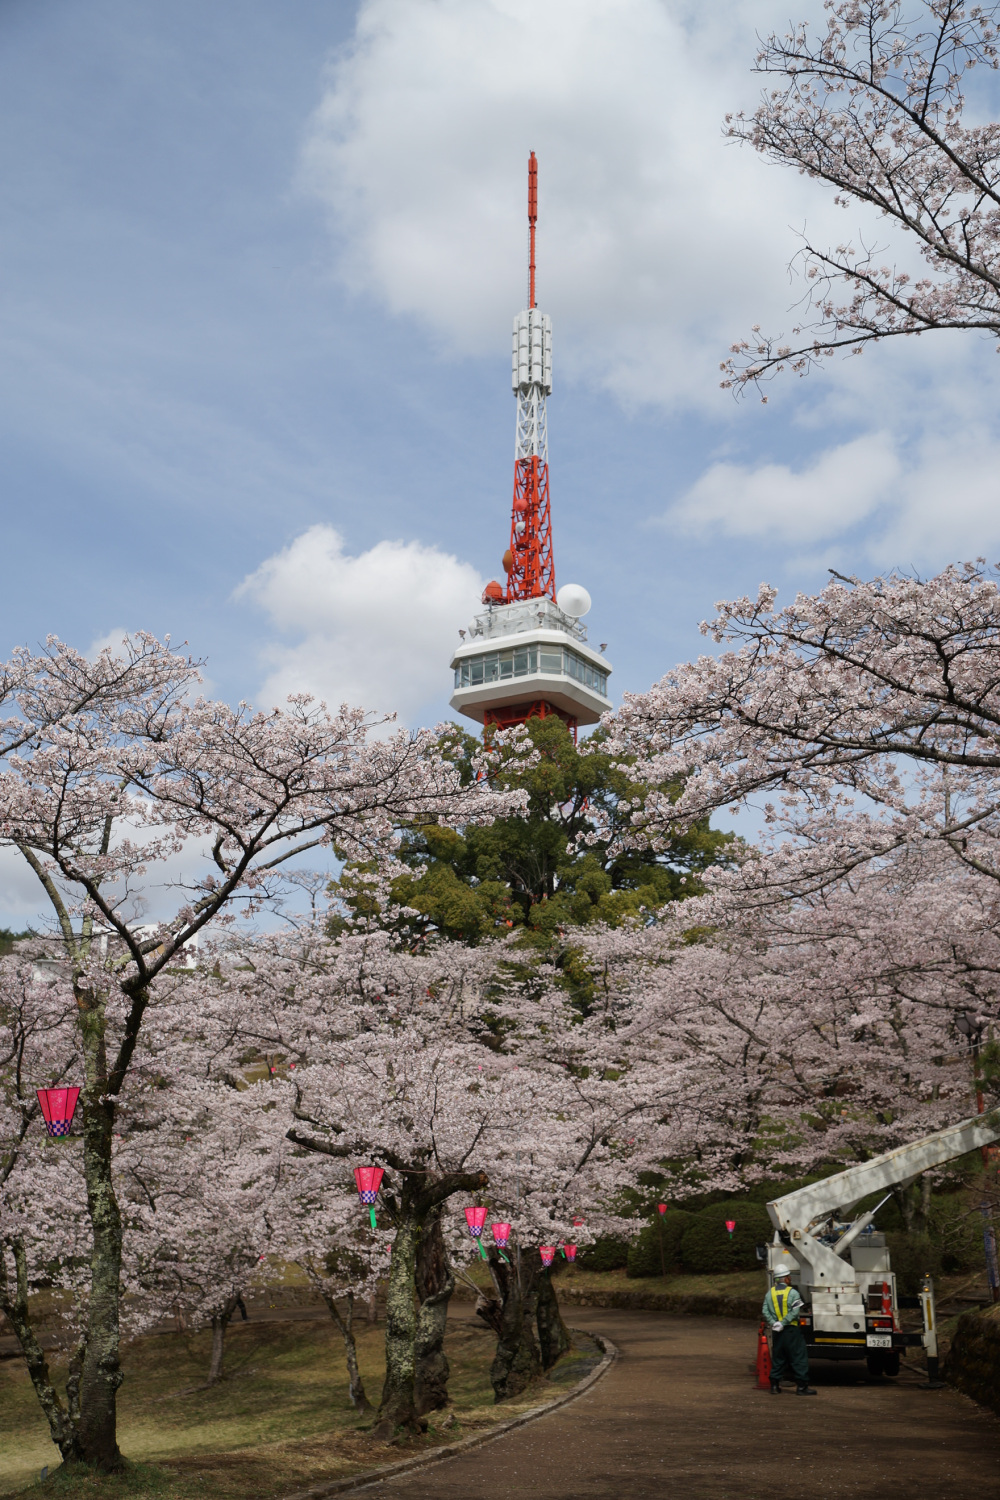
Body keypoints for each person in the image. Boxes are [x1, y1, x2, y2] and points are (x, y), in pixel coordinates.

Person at [763, 1260, 816, 1394]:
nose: (790, 1279)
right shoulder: (793, 1293)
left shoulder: (769, 1294)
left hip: (777, 1331)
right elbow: (795, 1312)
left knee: (778, 1357)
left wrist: (775, 1323)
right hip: (791, 1331)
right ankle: (802, 1387)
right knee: (798, 1358)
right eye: (789, 1276)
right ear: (785, 1278)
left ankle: (774, 1386)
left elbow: (765, 1311)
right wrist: (784, 1322)